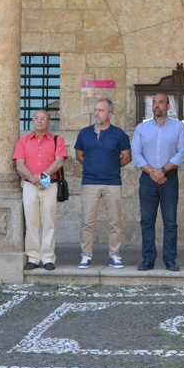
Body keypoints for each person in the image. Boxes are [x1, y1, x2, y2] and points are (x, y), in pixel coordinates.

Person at [131, 93, 184, 271]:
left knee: (170, 222)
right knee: (147, 221)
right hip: (148, 179)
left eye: (161, 102)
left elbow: (182, 152)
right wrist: (154, 172)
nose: (157, 105)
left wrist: (162, 171)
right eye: (154, 102)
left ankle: (170, 260)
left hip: (169, 178)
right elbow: (136, 154)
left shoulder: (178, 127)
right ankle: (148, 260)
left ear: (168, 106)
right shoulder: (141, 128)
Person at [74, 98, 131, 269]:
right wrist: (92, 166)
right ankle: (85, 256)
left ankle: (115, 255)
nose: (96, 113)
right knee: (87, 222)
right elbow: (79, 155)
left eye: (101, 110)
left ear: (110, 114)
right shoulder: (84, 133)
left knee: (115, 222)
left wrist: (111, 167)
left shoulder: (119, 135)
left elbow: (126, 157)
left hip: (112, 183)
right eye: (95, 110)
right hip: (89, 183)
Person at [13, 110, 67, 271]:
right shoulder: (23, 141)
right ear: (32, 121)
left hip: (50, 185)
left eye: (43, 118)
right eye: (36, 118)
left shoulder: (57, 140)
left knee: (49, 222)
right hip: (30, 185)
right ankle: (33, 257)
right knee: (31, 222)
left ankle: (48, 257)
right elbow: (19, 164)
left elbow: (59, 162)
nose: (39, 121)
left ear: (49, 122)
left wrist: (42, 177)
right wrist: (34, 179)